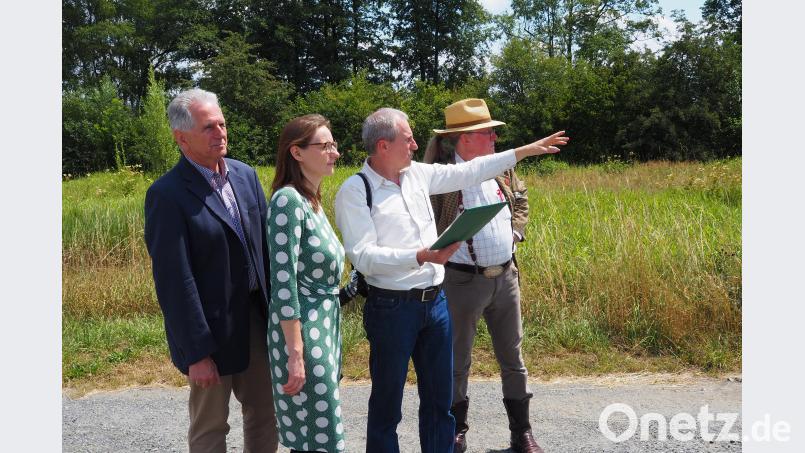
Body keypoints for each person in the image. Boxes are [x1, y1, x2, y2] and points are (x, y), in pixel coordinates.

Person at [334, 107, 568, 453]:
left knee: (439, 404)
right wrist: (420, 255)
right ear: (383, 146)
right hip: (391, 307)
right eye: (407, 138)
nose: (415, 144)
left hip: (436, 305)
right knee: (387, 406)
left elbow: (473, 170)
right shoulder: (356, 191)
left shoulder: (417, 174)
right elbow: (364, 256)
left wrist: (526, 150)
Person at [144, 88, 278, 453]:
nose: (220, 132)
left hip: (254, 319)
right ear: (181, 137)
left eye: (221, 123)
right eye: (208, 127)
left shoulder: (245, 176)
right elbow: (174, 281)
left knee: (266, 414)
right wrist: (196, 353)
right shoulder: (167, 194)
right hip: (209, 332)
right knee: (211, 425)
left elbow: (265, 252)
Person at [423, 98, 541, 453]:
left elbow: (521, 200)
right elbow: (422, 220)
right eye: (487, 132)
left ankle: (522, 433)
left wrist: (515, 232)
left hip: (505, 279)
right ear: (464, 138)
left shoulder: (502, 170)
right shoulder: (440, 177)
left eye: (492, 132)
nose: (494, 137)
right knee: (457, 361)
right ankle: (456, 432)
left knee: (514, 359)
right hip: (460, 282)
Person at [266, 114, 346, 453]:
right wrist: (295, 354)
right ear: (296, 153)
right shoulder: (288, 200)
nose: (335, 153)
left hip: (323, 325)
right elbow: (283, 282)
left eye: (334, 145)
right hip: (302, 332)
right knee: (320, 434)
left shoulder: (312, 201)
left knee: (317, 433)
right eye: (325, 146)